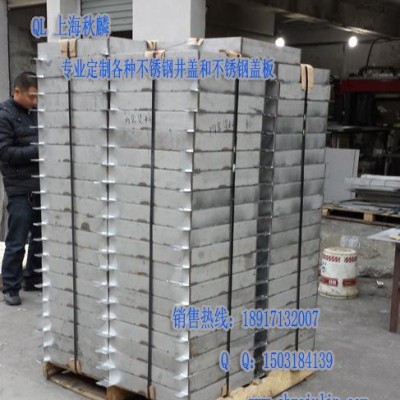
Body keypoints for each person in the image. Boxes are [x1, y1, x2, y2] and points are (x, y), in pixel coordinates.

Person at [0, 71, 42, 306]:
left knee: (40, 236)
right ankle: (10, 286)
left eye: (37, 97)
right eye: (31, 96)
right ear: (17, 92)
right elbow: (5, 152)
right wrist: (37, 150)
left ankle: (33, 278)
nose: (34, 101)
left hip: (39, 184)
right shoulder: (4, 115)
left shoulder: (35, 113)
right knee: (17, 240)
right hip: (18, 187)